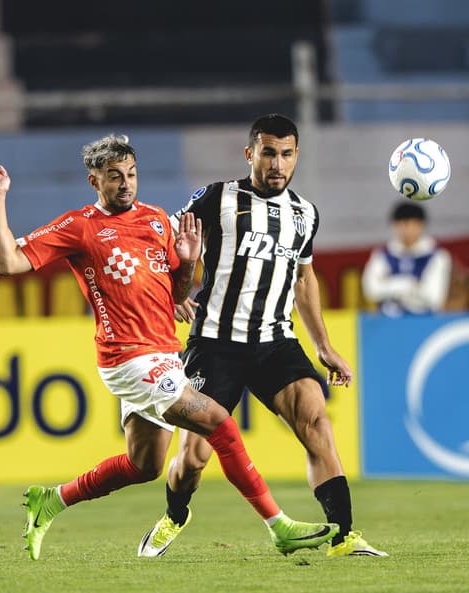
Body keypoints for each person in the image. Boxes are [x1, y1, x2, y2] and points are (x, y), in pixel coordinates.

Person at [0, 134, 338, 560]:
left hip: (164, 354)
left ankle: (51, 501)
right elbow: (7, 263)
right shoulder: (80, 226)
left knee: (144, 465)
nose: (125, 183)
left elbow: (178, 293)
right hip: (128, 358)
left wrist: (188, 261)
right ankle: (279, 526)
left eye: (131, 174)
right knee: (220, 424)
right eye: (114, 176)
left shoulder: (157, 220)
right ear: (94, 181)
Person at [136, 113, 386, 558]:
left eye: (286, 154)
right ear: (250, 153)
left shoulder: (305, 214)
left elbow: (303, 279)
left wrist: (324, 346)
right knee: (193, 458)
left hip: (275, 342)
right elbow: (162, 245)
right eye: (269, 153)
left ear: (297, 156)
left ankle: (344, 535)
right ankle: (175, 514)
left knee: (316, 423)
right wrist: (173, 292)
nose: (277, 163)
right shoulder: (216, 198)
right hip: (215, 343)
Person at [361, 201, 452, 316]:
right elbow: (371, 291)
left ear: (420, 225)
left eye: (409, 224)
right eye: (400, 225)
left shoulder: (437, 255)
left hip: (424, 321)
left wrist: (388, 284)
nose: (404, 230)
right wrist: (411, 284)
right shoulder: (382, 254)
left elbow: (433, 297)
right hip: (387, 320)